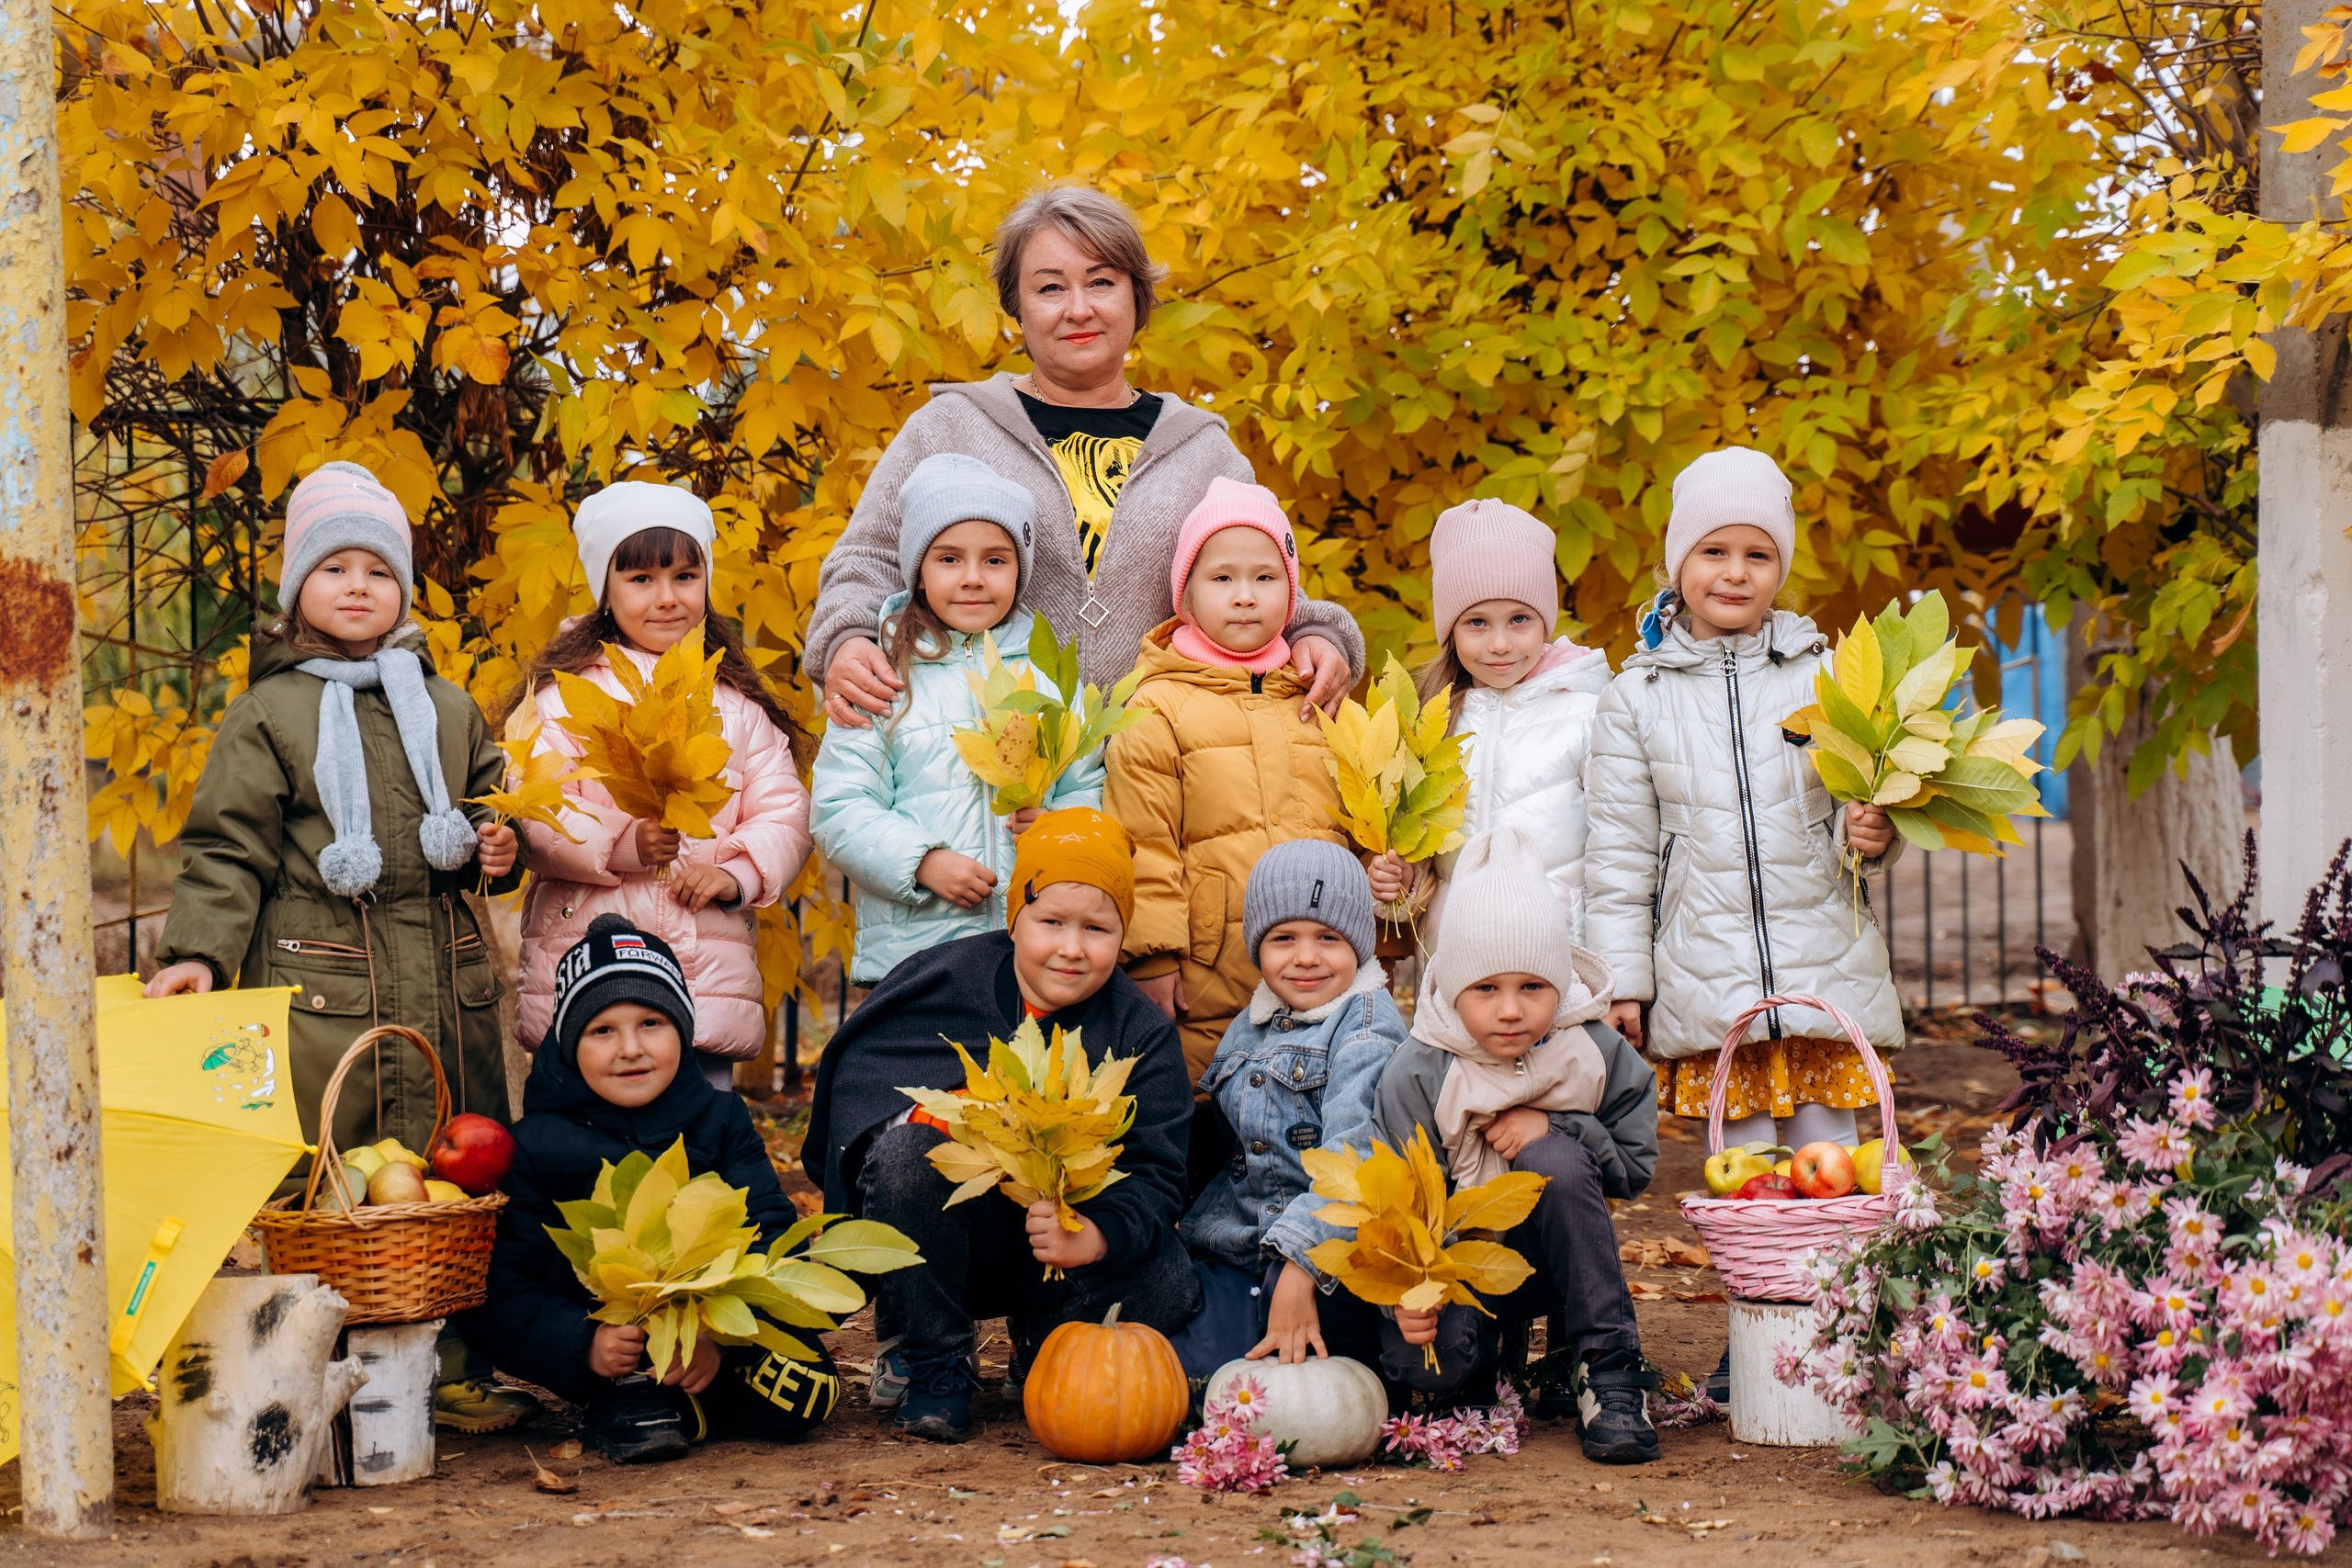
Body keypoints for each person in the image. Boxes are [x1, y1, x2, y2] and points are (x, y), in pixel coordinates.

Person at [1583, 446, 1903, 1406]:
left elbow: (1868, 808)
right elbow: (1619, 852)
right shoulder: (1634, 696)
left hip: (1823, 959)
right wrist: (1624, 981)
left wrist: (1874, 831)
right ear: (1676, 563)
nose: (1733, 573)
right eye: (1713, 552)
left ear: (1782, 567)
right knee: (1751, 1177)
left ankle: (1843, 1335)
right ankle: (1758, 1335)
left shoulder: (1833, 675)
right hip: (1709, 967)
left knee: (1835, 1163)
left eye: (1756, 555)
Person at [807, 184, 1363, 730]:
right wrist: (848, 638)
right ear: (1016, 306)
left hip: (1166, 772)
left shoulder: (1205, 451)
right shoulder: (951, 427)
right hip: (982, 760)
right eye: (1050, 288)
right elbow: (865, 560)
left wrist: (1316, 635)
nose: (1078, 309)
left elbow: (1265, 583)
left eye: (1102, 282)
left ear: (1137, 299)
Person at [146, 459, 521, 1149]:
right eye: (335, 568)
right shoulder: (269, 713)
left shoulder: (445, 707)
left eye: (379, 572)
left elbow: (487, 803)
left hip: (447, 1000)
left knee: (457, 1176)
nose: (358, 586)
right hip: (324, 1002)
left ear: (402, 592)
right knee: (333, 1182)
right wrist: (200, 952)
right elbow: (230, 847)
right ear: (296, 589)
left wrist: (499, 843)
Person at [802, 807, 1198, 1444]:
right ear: (1015, 920)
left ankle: (1045, 1339)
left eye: (1097, 928)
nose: (1071, 947)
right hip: (954, 1232)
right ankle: (935, 1356)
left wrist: (1097, 1235)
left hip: (1066, 1235)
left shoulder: (1138, 1030)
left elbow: (1156, 1173)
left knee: (1168, 1279)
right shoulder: (943, 980)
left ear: (1123, 935)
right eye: (1050, 922)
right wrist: (942, 1120)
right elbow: (862, 1093)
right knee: (907, 1158)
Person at [462, 915, 842, 1463]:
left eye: (651, 1023)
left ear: (682, 1033)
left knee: (810, 1396)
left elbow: (769, 1230)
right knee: (626, 1373)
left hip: (711, 1323)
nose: (630, 1048)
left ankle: (697, 1398)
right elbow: (504, 1287)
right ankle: (628, 1395)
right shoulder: (536, 1145)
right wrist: (583, 1344)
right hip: (610, 1340)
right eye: (602, 1030)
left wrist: (719, 1335)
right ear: (569, 1045)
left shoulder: (720, 1119)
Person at [507, 481, 814, 1088]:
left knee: (700, 1143)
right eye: (642, 579)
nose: (667, 597)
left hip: (703, 973)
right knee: (584, 1150)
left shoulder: (737, 706)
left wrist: (738, 873)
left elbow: (784, 809)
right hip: (587, 973)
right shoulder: (564, 699)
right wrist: (624, 843)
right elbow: (537, 810)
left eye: (684, 576)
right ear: (606, 590)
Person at [1376, 829, 1660, 1464]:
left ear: (1561, 981)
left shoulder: (1590, 1048)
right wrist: (1411, 1291)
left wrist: (1560, 1128)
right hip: (1458, 1263)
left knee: (1551, 1160)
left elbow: (1635, 1164)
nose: (1511, 1010)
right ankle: (1477, 1356)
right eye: (1486, 989)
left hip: (1560, 1255)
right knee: (1425, 1367)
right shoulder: (1419, 1070)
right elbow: (1395, 1205)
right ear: (1451, 986)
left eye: (1533, 986)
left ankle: (1606, 1363)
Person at [811, 452, 1104, 983]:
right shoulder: (882, 675)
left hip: (1032, 951)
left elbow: (1086, 785)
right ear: (918, 573)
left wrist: (1061, 832)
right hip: (914, 959)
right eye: (949, 559)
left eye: (995, 560)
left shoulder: (1048, 676)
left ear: (1020, 571)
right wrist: (921, 862)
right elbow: (839, 805)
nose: (973, 578)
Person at [1104, 478, 1356, 1087]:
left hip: (1317, 963)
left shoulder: (1320, 698)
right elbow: (1143, 839)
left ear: (1291, 592)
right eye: (1222, 579)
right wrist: (1153, 957)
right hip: (1206, 971)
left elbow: (1363, 821)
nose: (1245, 597)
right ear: (1185, 594)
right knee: (1208, 1109)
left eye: (1265, 578)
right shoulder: (1156, 703)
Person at [1166, 841, 1409, 1380]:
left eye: (1328, 938)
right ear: (1259, 948)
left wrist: (1299, 1266)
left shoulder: (1366, 1027)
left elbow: (1355, 1157)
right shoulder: (1250, 1024)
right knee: (1193, 1382)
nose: (1305, 957)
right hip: (1241, 1246)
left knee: (1307, 1391)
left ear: (1360, 946)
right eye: (1283, 939)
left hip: (1329, 1257)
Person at [1364, 500, 1613, 944]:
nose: (1500, 644)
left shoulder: (1588, 712)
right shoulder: (1431, 725)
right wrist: (1398, 884)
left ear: (1545, 622)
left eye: (1519, 619)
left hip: (1562, 961)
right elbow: (1425, 868)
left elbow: (1618, 852)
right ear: (1450, 632)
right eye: (1477, 622)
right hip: (1455, 970)